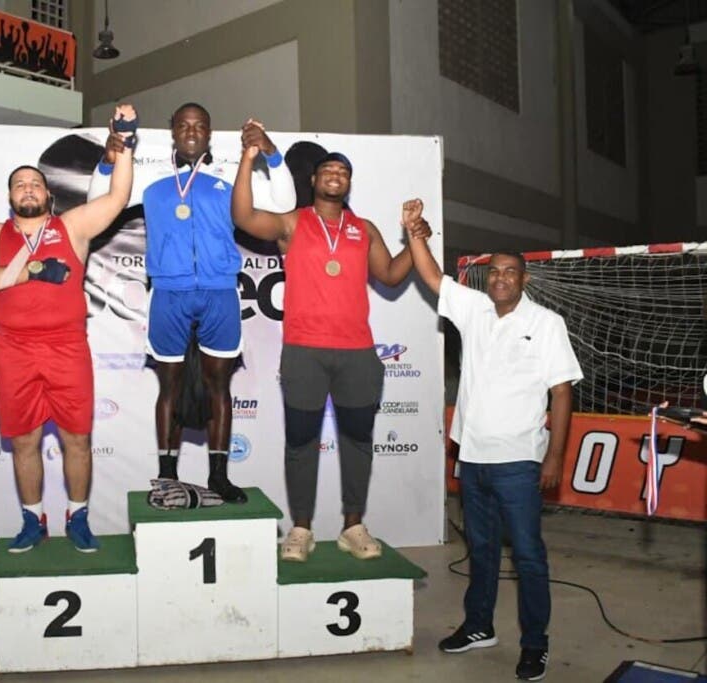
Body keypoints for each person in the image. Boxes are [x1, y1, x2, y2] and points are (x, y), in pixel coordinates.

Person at [403, 209, 583, 682]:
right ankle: (479, 626)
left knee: (527, 556)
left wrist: (555, 456)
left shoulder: (546, 323)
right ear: (488, 278)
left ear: (523, 279)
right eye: (495, 271)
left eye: (510, 272)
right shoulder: (473, 309)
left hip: (520, 462)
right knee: (481, 550)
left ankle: (535, 644)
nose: (501, 278)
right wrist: (412, 233)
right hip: (474, 458)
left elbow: (562, 392)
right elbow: (429, 275)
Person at [89, 103, 296, 503]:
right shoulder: (150, 177)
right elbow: (100, 201)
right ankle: (167, 475)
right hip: (168, 293)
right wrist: (107, 158)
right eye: (183, 125)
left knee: (219, 385)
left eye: (199, 125)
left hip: (219, 291)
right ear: (172, 131)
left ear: (209, 132)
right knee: (171, 386)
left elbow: (284, 203)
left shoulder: (227, 175)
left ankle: (218, 475)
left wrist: (271, 152)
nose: (191, 131)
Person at [231, 146, 429, 561]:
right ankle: (300, 529)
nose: (335, 174)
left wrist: (415, 237)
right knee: (301, 443)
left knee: (358, 441)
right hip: (304, 352)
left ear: (348, 183)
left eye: (342, 170)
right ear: (314, 180)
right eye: (327, 170)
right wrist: (249, 158)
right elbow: (244, 217)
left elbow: (391, 274)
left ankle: (352, 526)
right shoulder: (293, 223)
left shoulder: (365, 229)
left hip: (357, 353)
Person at [0, 105, 136, 554]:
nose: (28, 189)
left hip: (66, 348)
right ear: (10, 198)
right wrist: (32, 271)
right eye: (20, 184)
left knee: (77, 439)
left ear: (48, 195)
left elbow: (117, 198)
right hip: (15, 350)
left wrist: (127, 142)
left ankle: (77, 517)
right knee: (25, 441)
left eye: (35, 183)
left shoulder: (71, 227)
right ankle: (32, 520)